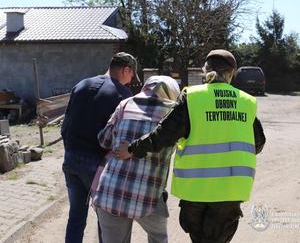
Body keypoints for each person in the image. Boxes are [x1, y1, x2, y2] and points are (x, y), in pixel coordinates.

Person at [116, 49, 266, 243]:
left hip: (196, 193)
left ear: (206, 71)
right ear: (231, 73)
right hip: (230, 193)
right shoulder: (246, 102)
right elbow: (258, 144)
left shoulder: (193, 97)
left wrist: (131, 149)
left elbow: (163, 136)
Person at [61, 52, 139, 243]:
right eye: (131, 76)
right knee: (106, 220)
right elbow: (123, 137)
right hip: (98, 165)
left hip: (71, 159)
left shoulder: (82, 85)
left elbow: (65, 126)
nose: (130, 81)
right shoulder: (123, 95)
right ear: (126, 69)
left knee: (76, 216)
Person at [92, 76, 180, 243]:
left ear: (146, 87)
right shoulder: (174, 113)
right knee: (158, 238)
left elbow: (104, 140)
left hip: (111, 194)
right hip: (149, 197)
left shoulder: (125, 104)